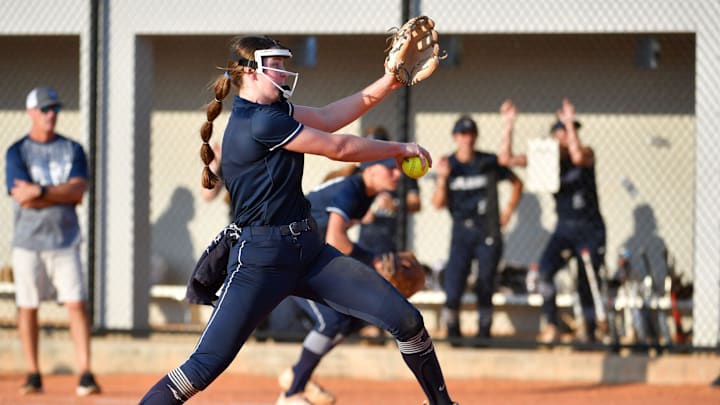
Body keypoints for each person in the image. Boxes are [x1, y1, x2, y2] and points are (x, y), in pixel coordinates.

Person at [139, 35, 457, 405]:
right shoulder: (257, 123)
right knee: (200, 369)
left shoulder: (275, 114)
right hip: (261, 260)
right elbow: (337, 148)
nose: (284, 70)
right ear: (249, 72)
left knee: (407, 321)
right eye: (273, 63)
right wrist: (398, 149)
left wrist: (391, 79)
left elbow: (328, 117)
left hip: (309, 252)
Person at [279, 157, 402, 404]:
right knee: (331, 320)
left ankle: (297, 375)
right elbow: (337, 240)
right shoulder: (352, 188)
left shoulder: (365, 194)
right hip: (286, 257)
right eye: (390, 167)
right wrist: (372, 259)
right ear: (371, 169)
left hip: (309, 258)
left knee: (350, 319)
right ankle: (292, 393)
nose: (397, 173)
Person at [5, 86, 101, 396]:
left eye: (55, 109)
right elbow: (22, 198)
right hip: (27, 243)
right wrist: (59, 194)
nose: (51, 115)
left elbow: (77, 191)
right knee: (28, 306)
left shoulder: (72, 149)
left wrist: (43, 192)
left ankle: (85, 372)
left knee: (76, 304)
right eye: (45, 110)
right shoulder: (17, 151)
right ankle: (34, 373)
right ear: (31, 112)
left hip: (65, 240)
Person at [498, 98, 606, 343]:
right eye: (563, 131)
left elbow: (578, 157)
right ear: (555, 136)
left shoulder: (586, 154)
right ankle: (552, 325)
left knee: (586, 281)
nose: (568, 136)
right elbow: (506, 160)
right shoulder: (547, 159)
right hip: (565, 229)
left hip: (590, 228)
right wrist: (508, 124)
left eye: (572, 131)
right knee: (545, 272)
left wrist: (569, 123)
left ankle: (590, 332)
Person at [431, 115, 523, 346]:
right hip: (462, 232)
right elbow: (437, 203)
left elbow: (517, 182)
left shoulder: (488, 161)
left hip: (487, 230)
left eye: (470, 134)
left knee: (485, 282)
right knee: (454, 283)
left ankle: (484, 332)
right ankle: (453, 331)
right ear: (455, 137)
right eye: (462, 134)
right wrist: (442, 179)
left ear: (475, 137)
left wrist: (509, 210)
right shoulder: (449, 165)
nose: (467, 139)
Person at [357, 125, 422, 256]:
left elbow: (416, 204)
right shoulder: (362, 172)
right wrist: (360, 214)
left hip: (395, 240)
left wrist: (395, 205)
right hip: (366, 242)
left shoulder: (400, 170)